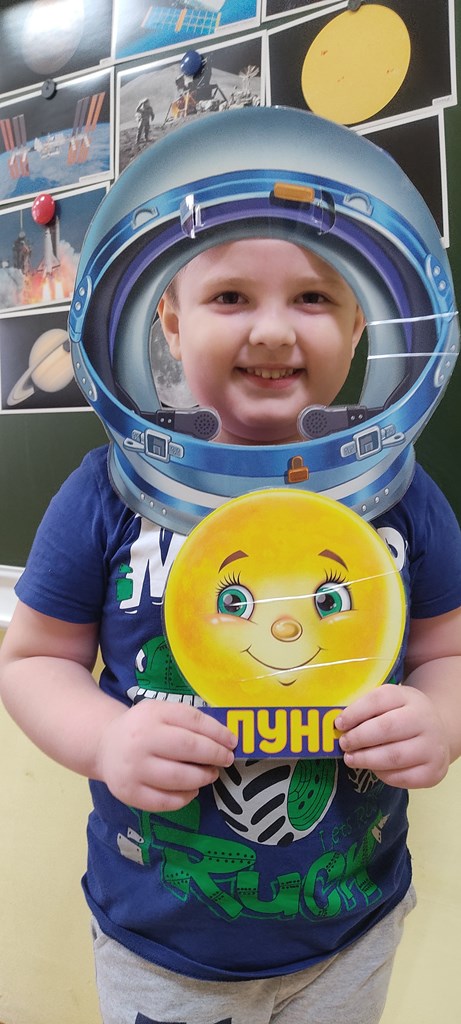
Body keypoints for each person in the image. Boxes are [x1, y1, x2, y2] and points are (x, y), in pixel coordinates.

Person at [1, 236, 461, 1024]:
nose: (274, 331)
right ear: (172, 323)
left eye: (313, 297)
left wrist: (442, 721)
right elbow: (34, 659)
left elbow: (446, 651)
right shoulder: (109, 491)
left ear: (357, 324)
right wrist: (106, 742)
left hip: (351, 931)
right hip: (163, 947)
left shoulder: (400, 493)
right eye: (231, 297)